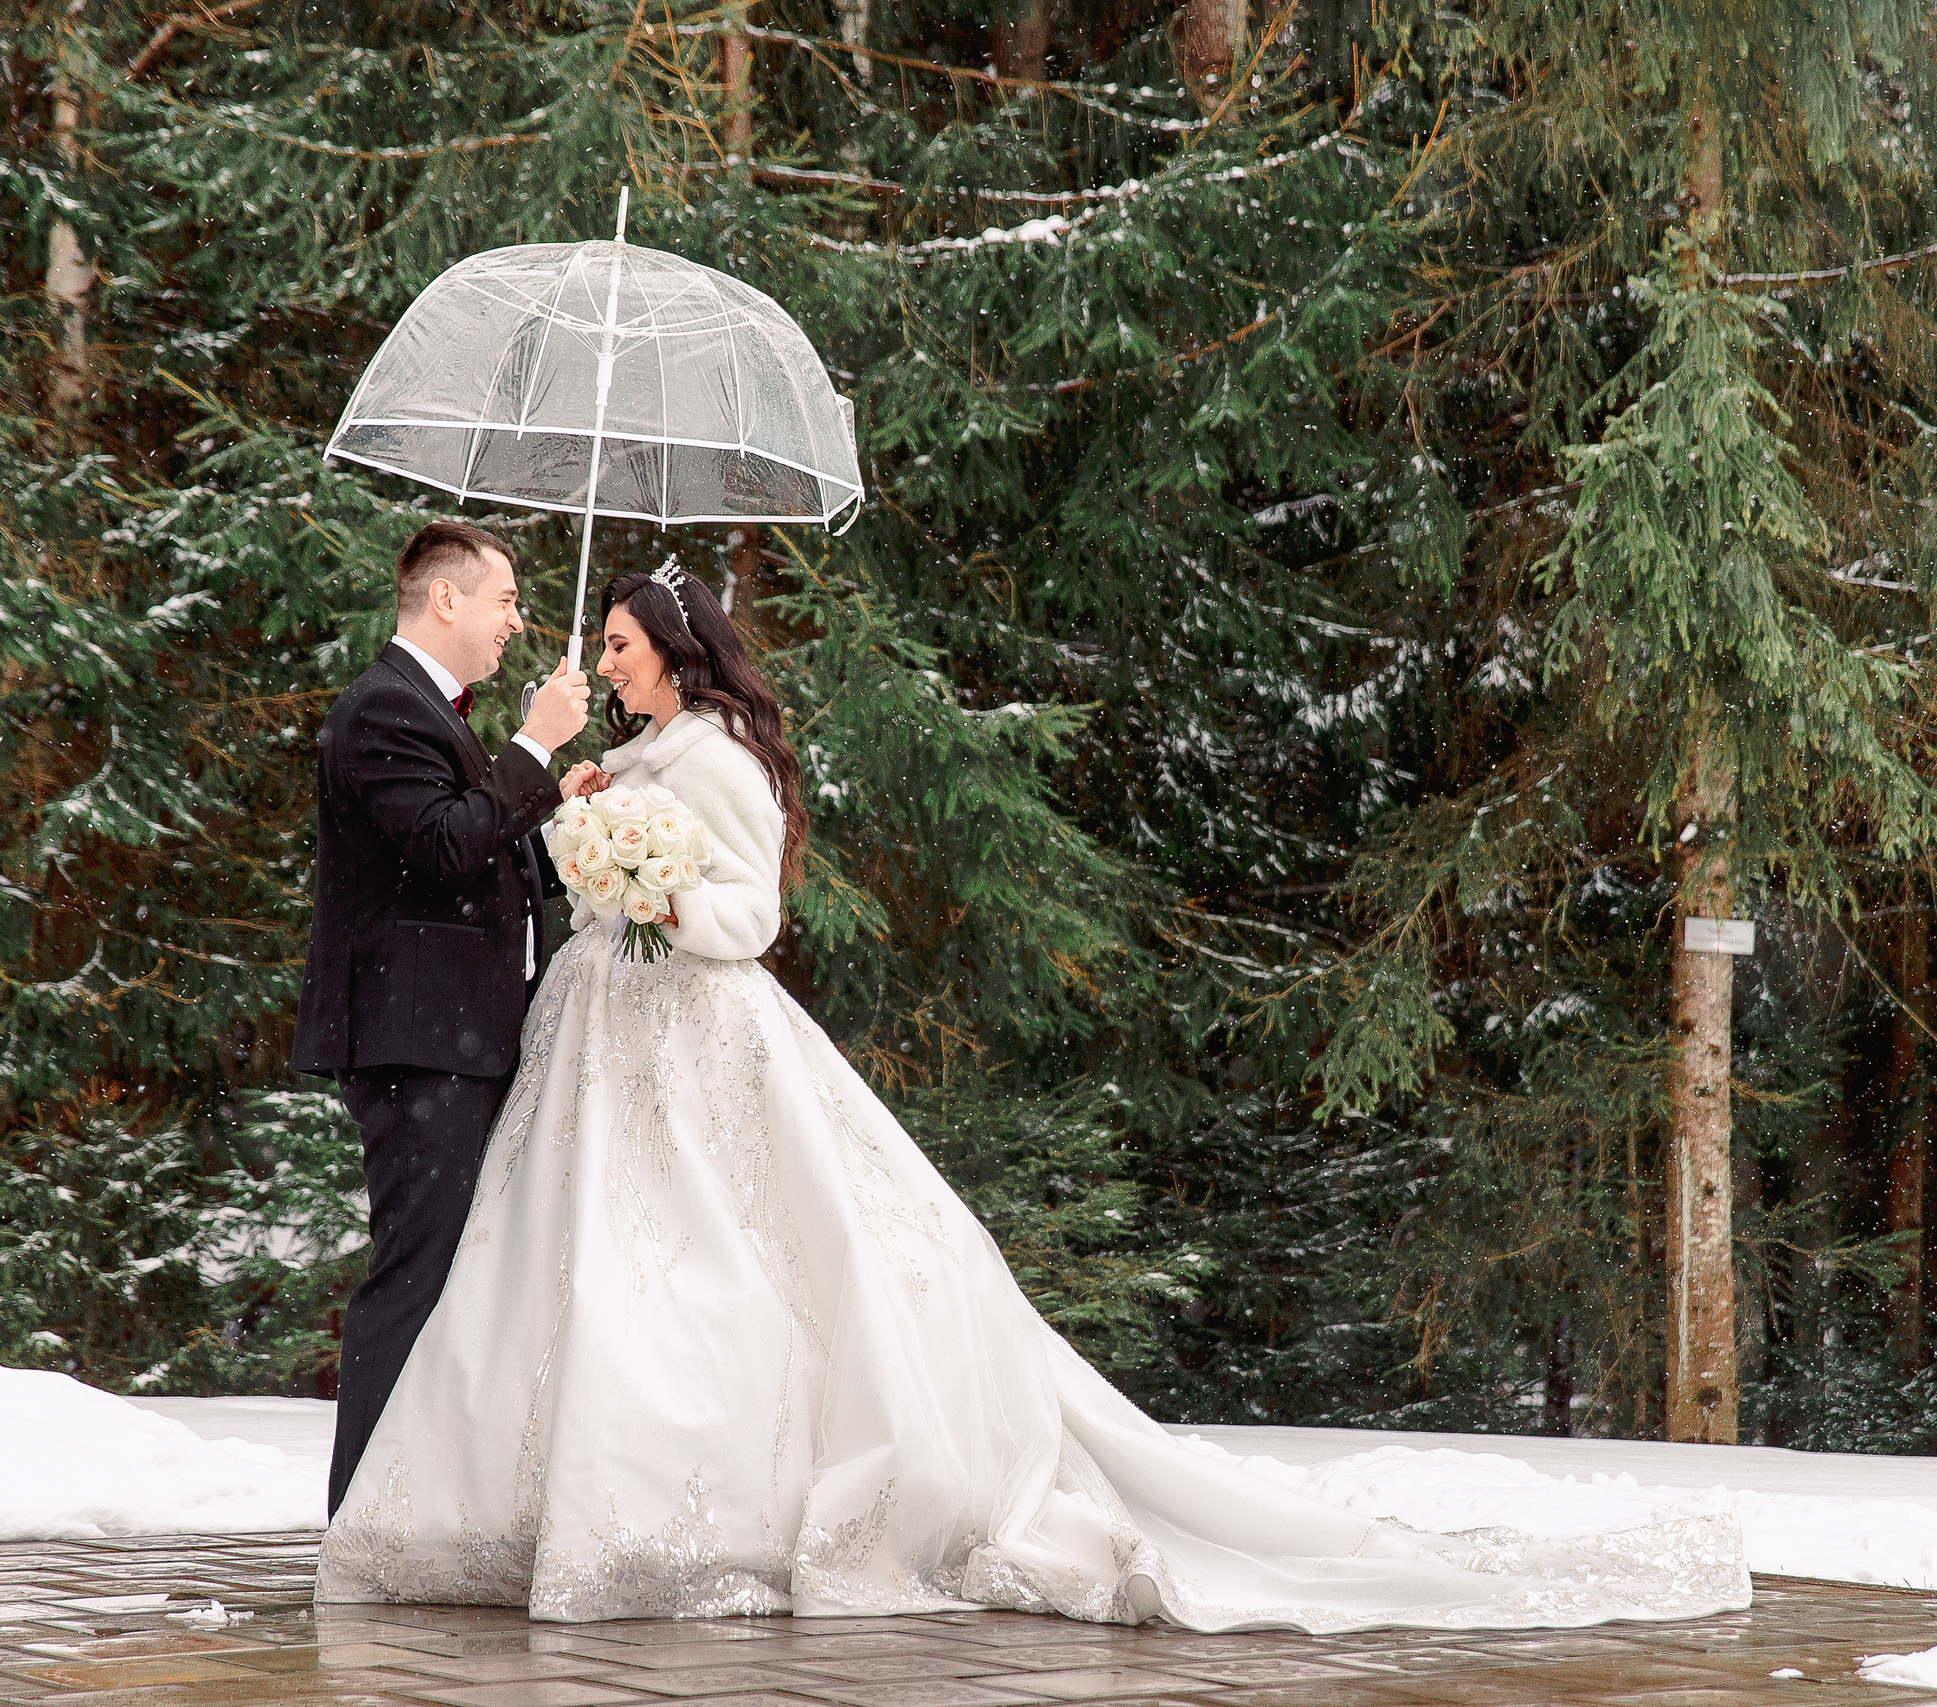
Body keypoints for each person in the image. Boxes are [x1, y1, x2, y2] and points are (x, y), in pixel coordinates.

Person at [315, 561, 1747, 1630]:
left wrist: (648, 888)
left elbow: (746, 917)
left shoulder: (716, 760)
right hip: (594, 1042)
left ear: (675, 654)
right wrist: (579, 824)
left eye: (620, 644)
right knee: (579, 1275)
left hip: (693, 1037)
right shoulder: (621, 758)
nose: (603, 659)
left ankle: (694, 1509)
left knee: (716, 1271)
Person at [292, 519, 593, 1519]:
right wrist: (534, 743)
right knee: (416, 1275)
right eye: (505, 600)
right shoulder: (382, 708)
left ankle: (417, 1509)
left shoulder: (432, 712)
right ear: (445, 598)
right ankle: (361, 1522)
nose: (517, 621)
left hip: (459, 1039)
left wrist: (566, 822)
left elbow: (479, 868)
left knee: (455, 1277)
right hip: (417, 1044)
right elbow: (440, 846)